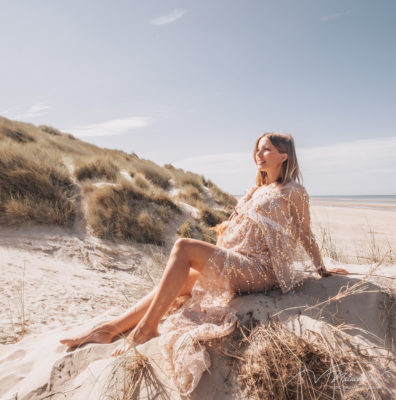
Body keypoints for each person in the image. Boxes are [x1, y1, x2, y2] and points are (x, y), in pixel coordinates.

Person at [60, 132, 348, 394]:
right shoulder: (256, 189)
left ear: (284, 156)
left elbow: (304, 231)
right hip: (240, 261)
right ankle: (111, 327)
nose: (259, 155)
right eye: (257, 149)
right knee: (183, 281)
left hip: (261, 269)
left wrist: (321, 267)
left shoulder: (294, 191)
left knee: (184, 247)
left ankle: (146, 329)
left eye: (267, 150)